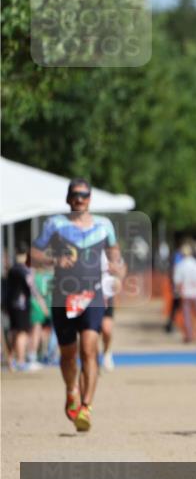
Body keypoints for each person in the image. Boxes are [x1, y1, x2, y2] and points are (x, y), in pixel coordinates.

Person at [31, 178, 123, 432]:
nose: (80, 199)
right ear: (68, 198)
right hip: (62, 298)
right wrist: (54, 260)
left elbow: (115, 255)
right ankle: (71, 389)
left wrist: (118, 267)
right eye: (75, 195)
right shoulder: (55, 224)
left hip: (92, 296)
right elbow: (33, 255)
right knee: (69, 356)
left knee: (89, 351)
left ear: (90, 199)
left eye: (84, 195)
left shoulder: (105, 226)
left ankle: (86, 408)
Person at [5, 244, 44, 372]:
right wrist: (41, 303)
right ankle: (21, 361)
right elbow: (32, 288)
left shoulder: (11, 269)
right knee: (22, 333)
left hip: (10, 304)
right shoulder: (24, 270)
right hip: (21, 305)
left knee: (13, 331)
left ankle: (11, 360)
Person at [99, 250, 125, 371]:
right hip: (89, 295)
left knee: (107, 329)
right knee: (92, 332)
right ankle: (91, 358)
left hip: (106, 296)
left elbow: (122, 270)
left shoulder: (112, 253)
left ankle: (107, 353)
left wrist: (117, 275)